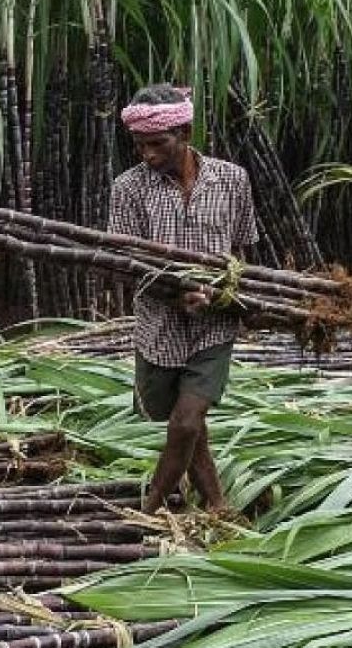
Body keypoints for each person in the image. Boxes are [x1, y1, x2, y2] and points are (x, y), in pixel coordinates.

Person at [107, 84, 258, 514]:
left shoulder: (233, 179)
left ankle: (150, 508)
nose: (148, 155)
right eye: (140, 145)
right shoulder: (128, 188)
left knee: (187, 420)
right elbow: (130, 263)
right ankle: (217, 504)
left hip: (215, 324)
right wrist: (177, 296)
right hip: (158, 326)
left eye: (158, 143)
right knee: (182, 426)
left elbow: (243, 251)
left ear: (186, 132)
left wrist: (228, 296)